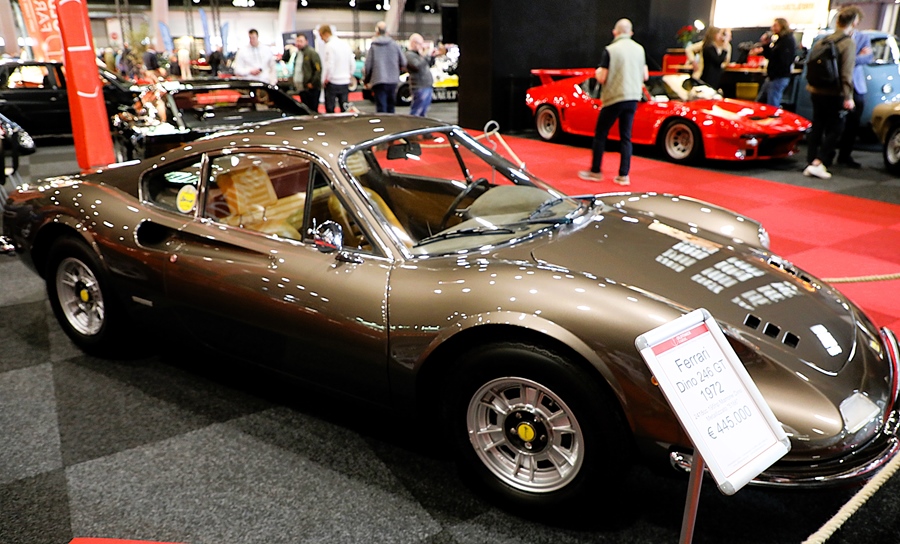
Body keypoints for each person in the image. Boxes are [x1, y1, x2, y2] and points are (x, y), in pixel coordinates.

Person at [578, 18, 648, 186]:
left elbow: (602, 77)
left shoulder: (611, 50)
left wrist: (597, 73)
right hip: (633, 97)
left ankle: (595, 171)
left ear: (615, 32)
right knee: (626, 137)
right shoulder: (640, 49)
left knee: (601, 134)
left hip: (614, 97)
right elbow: (645, 76)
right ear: (631, 33)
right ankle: (624, 175)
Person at [802, 6, 858, 180]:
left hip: (816, 90)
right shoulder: (847, 43)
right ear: (854, 23)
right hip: (834, 92)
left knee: (817, 126)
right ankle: (819, 162)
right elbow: (846, 73)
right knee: (836, 128)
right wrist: (848, 97)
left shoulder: (823, 41)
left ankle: (811, 160)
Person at [836, 11, 873, 168]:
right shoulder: (836, 37)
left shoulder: (863, 38)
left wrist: (850, 59)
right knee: (835, 122)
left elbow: (868, 58)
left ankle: (845, 156)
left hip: (857, 85)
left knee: (853, 123)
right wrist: (855, 57)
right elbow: (837, 60)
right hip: (838, 84)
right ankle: (826, 155)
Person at [751, 18, 797, 107]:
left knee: (772, 104)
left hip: (778, 77)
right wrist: (765, 44)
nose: (772, 28)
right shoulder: (779, 40)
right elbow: (770, 56)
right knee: (761, 101)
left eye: (775, 25)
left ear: (782, 26)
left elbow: (783, 60)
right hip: (773, 77)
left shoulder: (787, 41)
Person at [364, 21, 407, 113]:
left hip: (378, 80)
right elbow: (403, 62)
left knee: (381, 107)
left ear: (377, 32)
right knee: (391, 106)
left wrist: (366, 80)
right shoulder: (395, 45)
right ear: (387, 32)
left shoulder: (374, 46)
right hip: (393, 80)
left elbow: (368, 65)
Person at [319, 24, 355, 112]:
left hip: (333, 82)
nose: (322, 39)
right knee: (345, 108)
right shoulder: (345, 44)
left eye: (321, 36)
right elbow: (352, 63)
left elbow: (329, 65)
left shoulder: (329, 46)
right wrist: (350, 74)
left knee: (330, 109)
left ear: (325, 34)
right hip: (345, 82)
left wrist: (325, 79)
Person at [290, 34, 322, 113]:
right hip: (302, 87)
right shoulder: (298, 54)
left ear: (306, 42)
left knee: (312, 110)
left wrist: (312, 83)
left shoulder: (312, 53)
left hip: (311, 88)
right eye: (297, 41)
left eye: (301, 41)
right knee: (305, 109)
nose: (299, 43)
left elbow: (318, 70)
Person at [405, 33, 433, 117]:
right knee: (416, 112)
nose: (422, 46)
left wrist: (431, 56)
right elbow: (417, 66)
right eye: (420, 43)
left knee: (423, 112)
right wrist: (424, 54)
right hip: (419, 86)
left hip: (426, 85)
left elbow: (428, 64)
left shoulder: (418, 55)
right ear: (414, 43)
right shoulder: (409, 55)